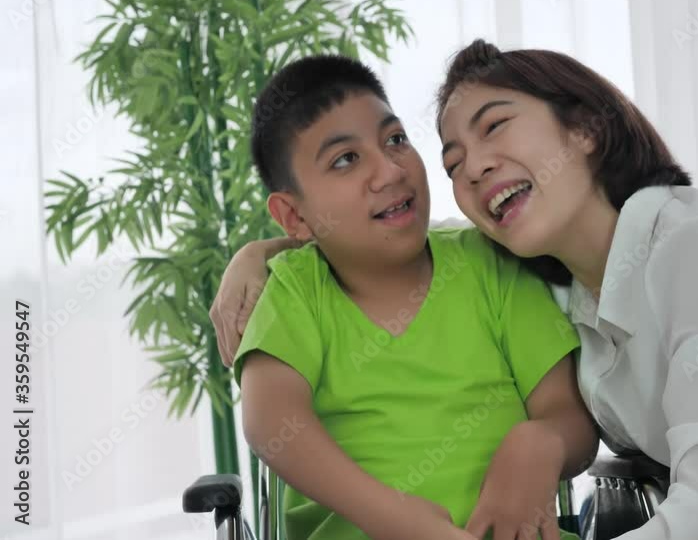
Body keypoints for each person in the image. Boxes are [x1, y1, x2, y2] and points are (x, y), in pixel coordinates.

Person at [215, 40, 698, 539]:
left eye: (494, 126)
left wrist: (540, 441)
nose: (473, 168)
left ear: (584, 128)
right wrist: (259, 253)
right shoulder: (562, 286)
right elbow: (381, 247)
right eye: (453, 161)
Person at [221, 54, 596, 540]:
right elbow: (272, 423)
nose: (390, 170)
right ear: (294, 217)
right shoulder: (295, 289)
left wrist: (539, 442)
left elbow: (571, 419)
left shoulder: (491, 263)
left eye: (395, 140)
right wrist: (391, 517)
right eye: (346, 159)